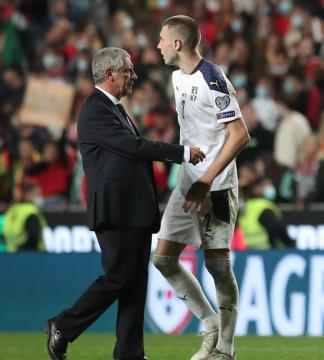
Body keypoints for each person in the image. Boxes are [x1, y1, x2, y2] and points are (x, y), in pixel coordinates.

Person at [46, 47, 205, 360]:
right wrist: (181, 152)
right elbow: (132, 147)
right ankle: (63, 325)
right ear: (109, 75)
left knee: (134, 283)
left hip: (132, 210)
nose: (134, 76)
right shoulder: (94, 110)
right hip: (115, 211)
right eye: (128, 71)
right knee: (118, 277)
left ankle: (130, 353)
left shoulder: (112, 108)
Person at [153, 15, 250, 360]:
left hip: (217, 187)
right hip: (187, 183)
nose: (159, 45)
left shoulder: (214, 79)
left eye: (162, 39)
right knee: (163, 258)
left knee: (218, 265)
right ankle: (210, 324)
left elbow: (240, 135)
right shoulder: (177, 78)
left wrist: (206, 181)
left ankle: (226, 347)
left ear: (178, 44)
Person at [2, 182, 47, 252]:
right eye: (37, 194)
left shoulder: (12, 210)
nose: (40, 197)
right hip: (31, 255)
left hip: (10, 253)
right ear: (28, 195)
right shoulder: (31, 212)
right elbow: (33, 237)